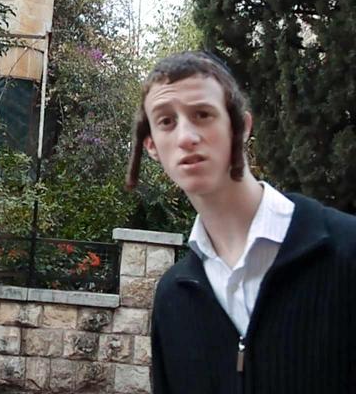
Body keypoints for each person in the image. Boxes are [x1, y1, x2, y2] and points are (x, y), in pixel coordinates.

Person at [126, 51, 356, 394]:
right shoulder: (174, 297)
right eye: (166, 121)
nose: (186, 136)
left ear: (241, 127)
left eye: (202, 114)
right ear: (152, 146)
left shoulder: (346, 251)